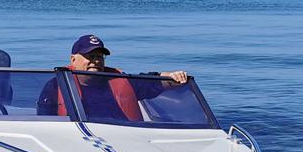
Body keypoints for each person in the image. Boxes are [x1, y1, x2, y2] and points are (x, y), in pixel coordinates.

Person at [37, 34, 189, 121]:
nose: (95, 61)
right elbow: (45, 122)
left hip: (121, 137)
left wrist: (171, 77)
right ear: (73, 59)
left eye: (99, 57)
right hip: (79, 139)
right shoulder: (56, 86)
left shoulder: (118, 81)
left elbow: (150, 82)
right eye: (89, 56)